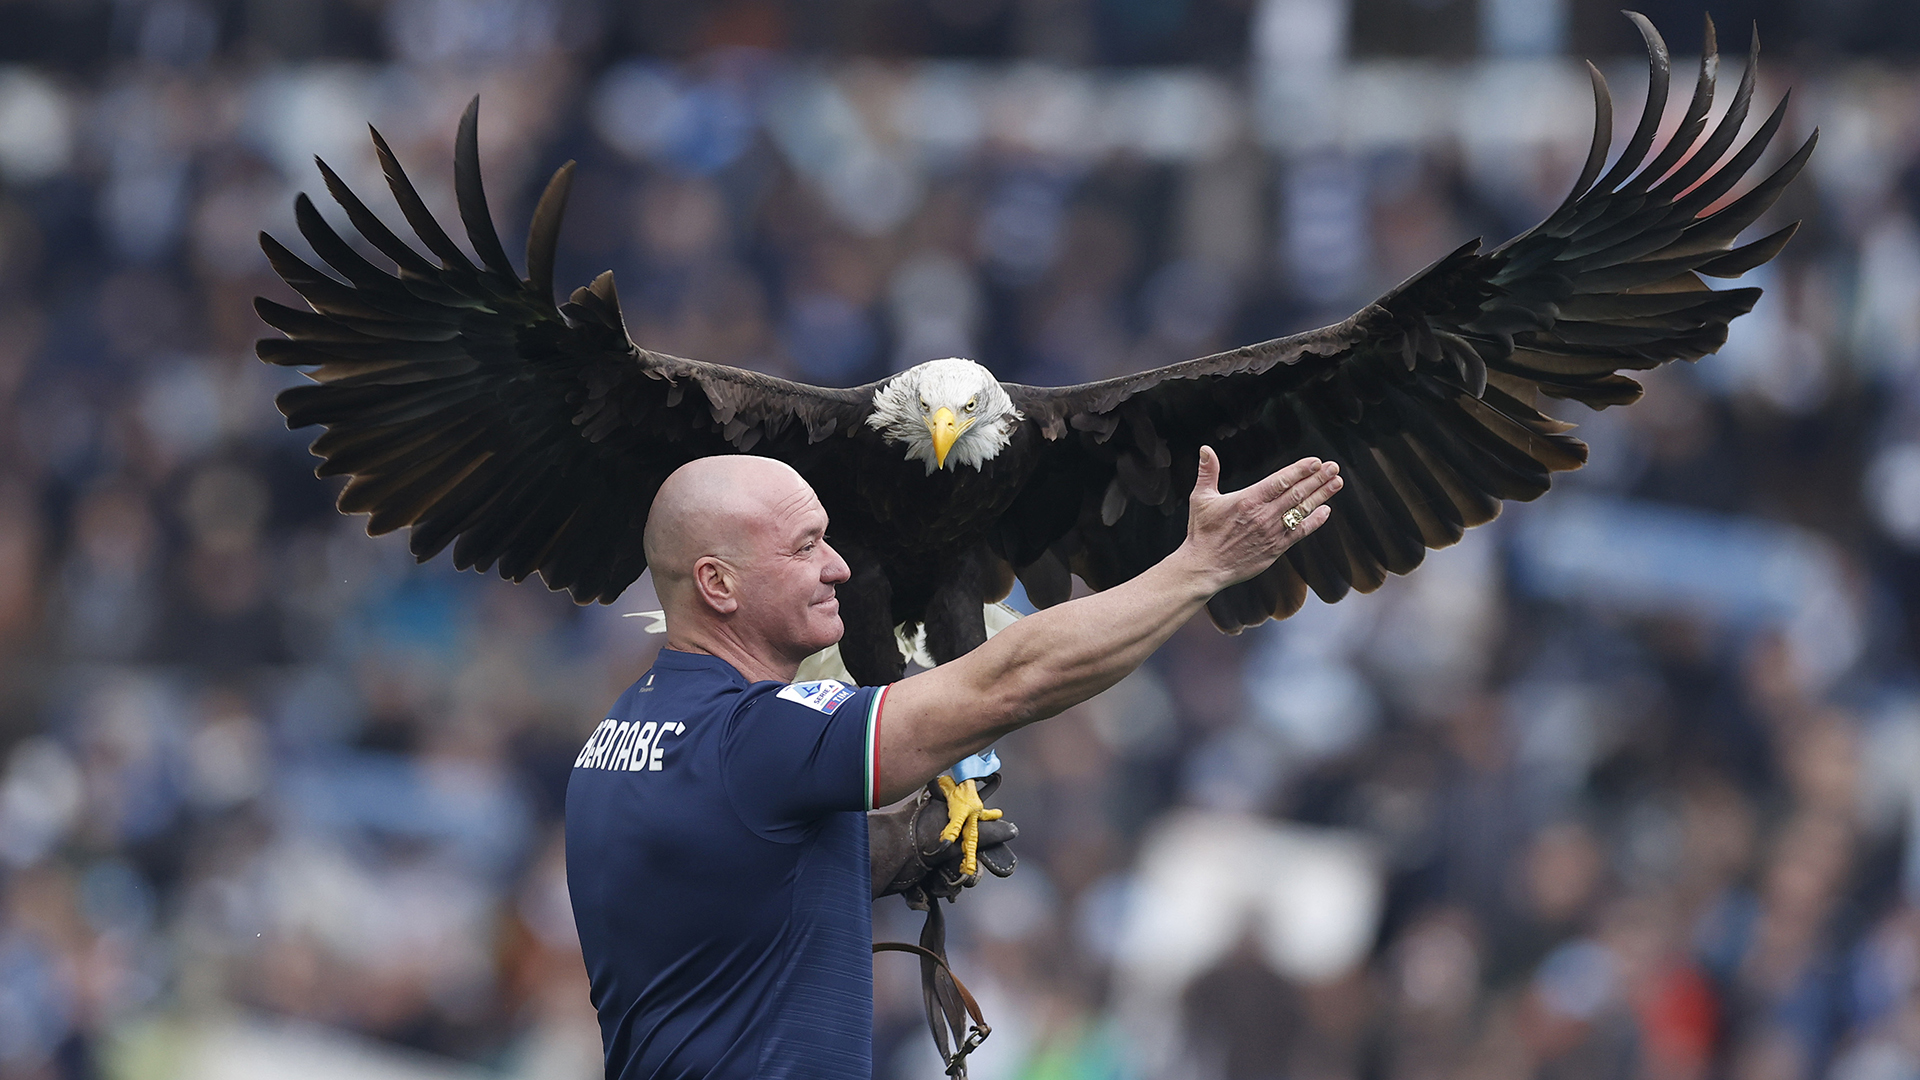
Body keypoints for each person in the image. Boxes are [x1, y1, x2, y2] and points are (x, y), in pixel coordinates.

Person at [564, 446, 1343, 1079]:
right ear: (717, 585)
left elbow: (713, 883)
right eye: (806, 548)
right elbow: (1010, 681)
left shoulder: (618, 739)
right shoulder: (756, 736)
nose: (838, 567)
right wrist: (1202, 566)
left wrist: (870, 858)